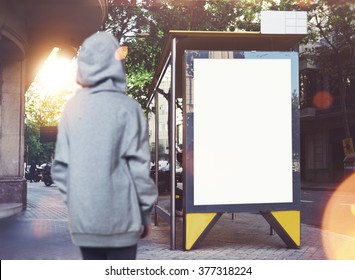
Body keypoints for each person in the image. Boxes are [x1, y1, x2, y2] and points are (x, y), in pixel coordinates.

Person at [51, 32, 158, 260]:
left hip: (85, 223)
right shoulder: (129, 109)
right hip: (124, 221)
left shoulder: (71, 108)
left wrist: (79, 202)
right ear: (115, 62)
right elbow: (139, 169)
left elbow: (60, 168)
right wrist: (144, 213)